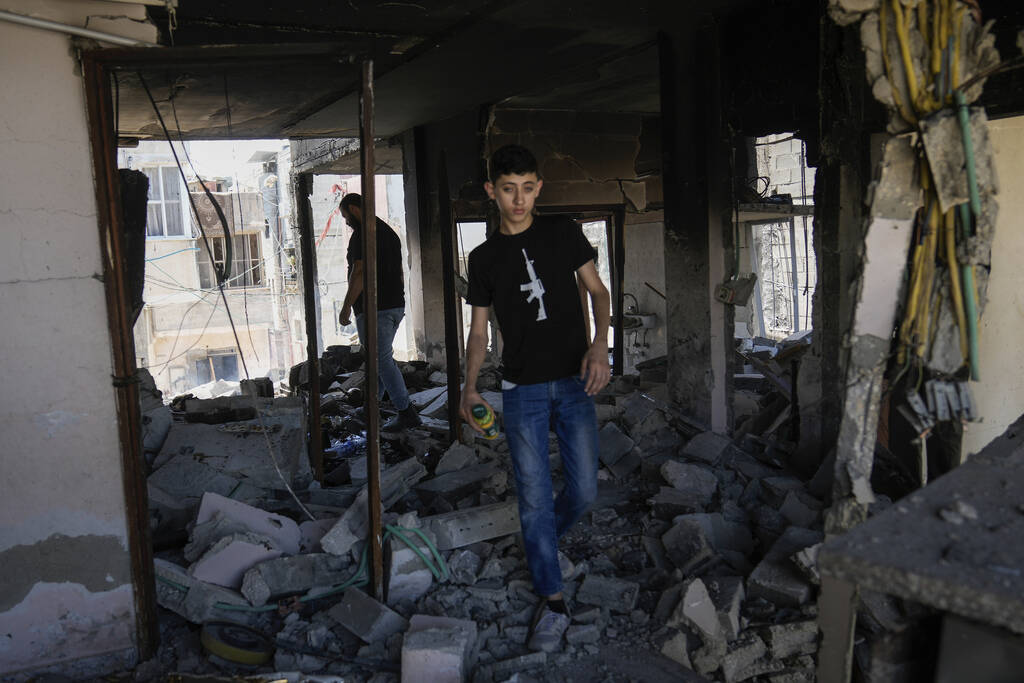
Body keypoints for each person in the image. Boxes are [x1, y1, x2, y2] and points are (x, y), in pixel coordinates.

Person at [460, 145, 611, 652]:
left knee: (585, 491)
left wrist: (599, 346)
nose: (518, 199)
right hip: (520, 391)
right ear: (492, 192)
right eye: (508, 189)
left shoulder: (563, 233)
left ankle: (542, 545)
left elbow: (599, 292)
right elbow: (480, 331)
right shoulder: (482, 259)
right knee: (532, 499)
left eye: (527, 187)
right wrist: (468, 386)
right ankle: (552, 597)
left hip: (574, 382)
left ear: (538, 188)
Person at [338, 193, 421, 431]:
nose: (346, 222)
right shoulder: (388, 232)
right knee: (378, 359)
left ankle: (406, 412)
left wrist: (345, 307)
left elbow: (360, 273)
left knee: (381, 359)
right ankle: (372, 407)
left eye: (346, 216)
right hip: (393, 306)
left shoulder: (363, 235)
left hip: (376, 310)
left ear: (354, 209)